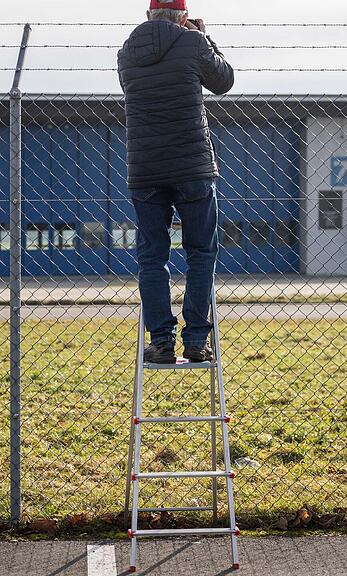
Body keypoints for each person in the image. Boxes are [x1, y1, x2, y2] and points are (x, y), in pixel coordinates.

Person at [118, 0, 235, 364]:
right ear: (184, 17)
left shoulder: (127, 51)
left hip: (146, 168)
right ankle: (197, 339)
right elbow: (224, 82)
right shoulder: (193, 42)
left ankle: (161, 341)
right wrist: (204, 38)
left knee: (152, 257)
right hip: (192, 167)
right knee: (200, 252)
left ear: (148, 15)